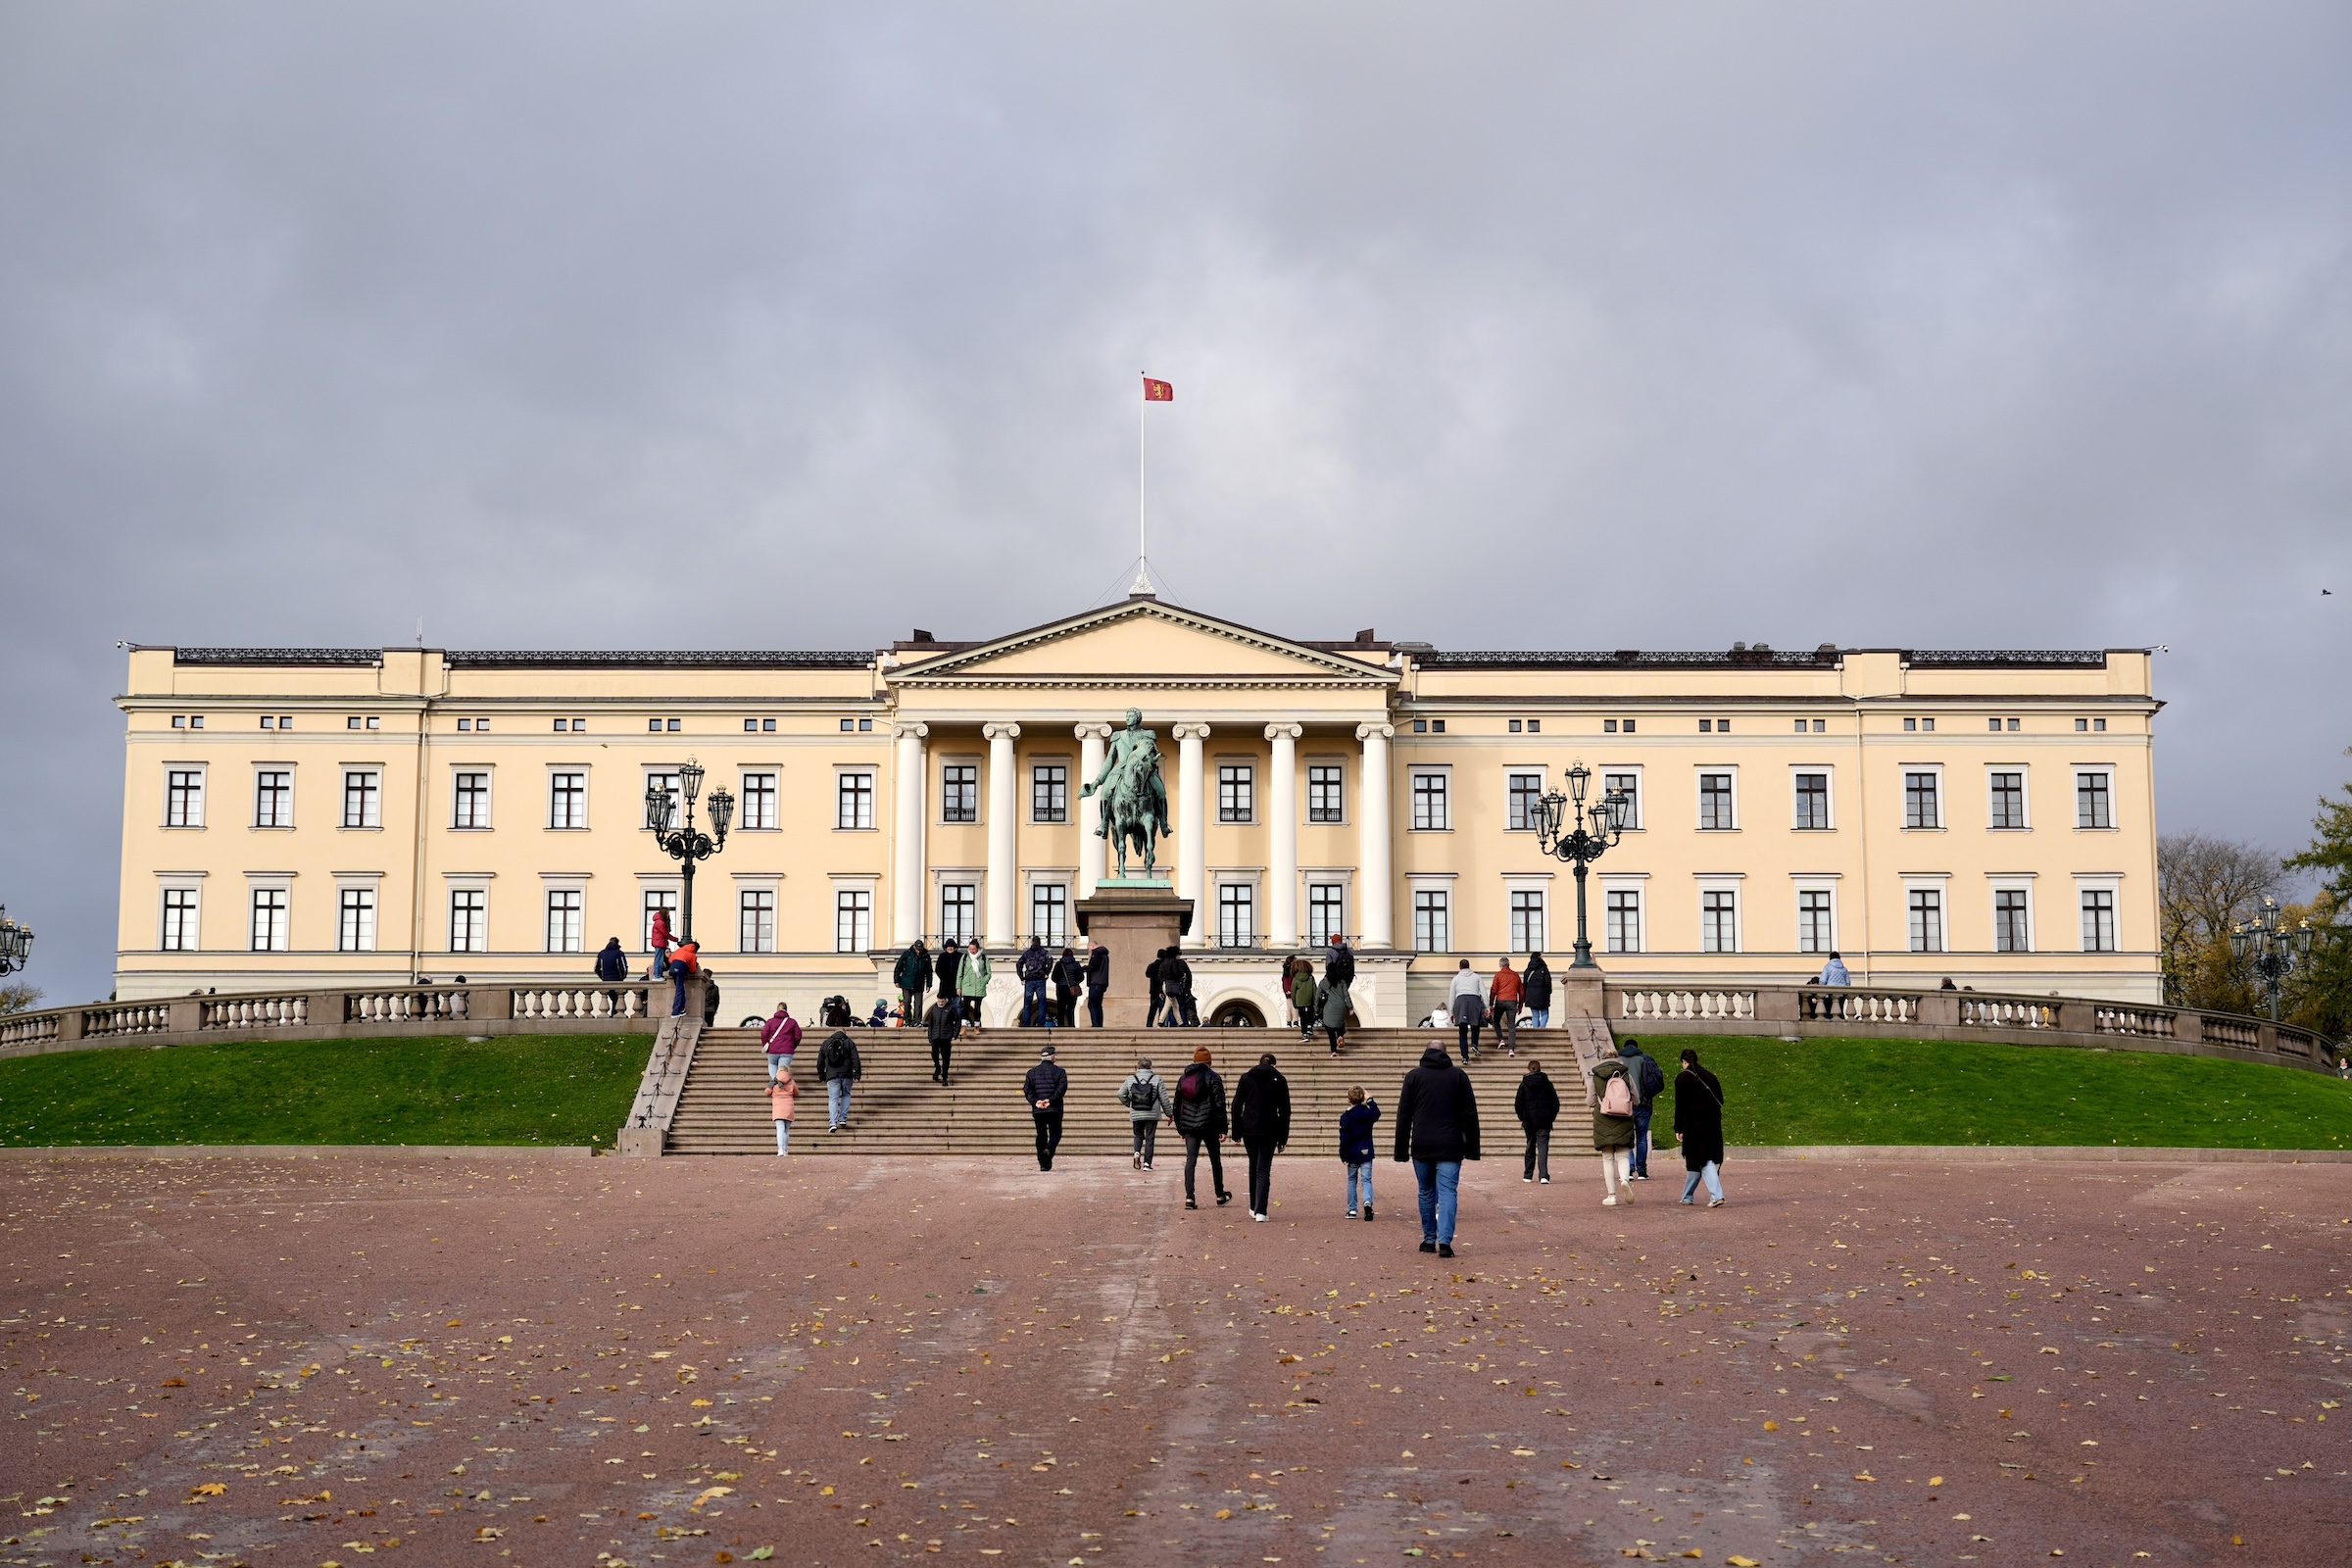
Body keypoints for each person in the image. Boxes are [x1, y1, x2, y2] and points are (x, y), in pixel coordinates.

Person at [1394, 1040, 1479, 1258]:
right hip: (1451, 1143)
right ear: (1446, 1054)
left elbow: (1404, 1114)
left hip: (1422, 1142)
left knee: (1425, 1191)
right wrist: (1472, 1148)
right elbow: (1470, 1113)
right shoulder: (1458, 1075)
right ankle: (1445, 1241)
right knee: (1448, 1192)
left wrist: (1401, 1150)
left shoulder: (1414, 1076)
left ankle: (1429, 1239)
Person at [1231, 1052, 1292, 1222]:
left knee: (1253, 1165)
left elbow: (1236, 1105)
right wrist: (1283, 1137)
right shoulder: (1279, 1080)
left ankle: (1253, 1206)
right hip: (1270, 1128)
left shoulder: (1246, 1078)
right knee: (1263, 1168)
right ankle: (1261, 1210)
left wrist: (1236, 1132)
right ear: (1274, 1065)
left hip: (1249, 1127)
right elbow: (1285, 1111)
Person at [1171, 1046, 1233, 1209]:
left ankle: (1189, 1197)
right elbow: (1219, 1104)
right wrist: (1223, 1128)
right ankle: (1220, 1194)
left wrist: (1180, 1128)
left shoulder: (1184, 1078)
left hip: (1190, 1126)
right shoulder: (1213, 1077)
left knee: (1191, 1160)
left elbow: (1176, 1105)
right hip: (1209, 1125)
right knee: (1215, 1160)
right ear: (1209, 1061)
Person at [1673, 1048, 1728, 1208]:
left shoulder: (1683, 1078)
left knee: (1702, 1158)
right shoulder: (1710, 1076)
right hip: (1712, 1122)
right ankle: (1687, 1196)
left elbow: (1680, 1106)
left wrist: (1678, 1128)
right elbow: (1721, 1100)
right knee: (1698, 1157)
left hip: (1693, 1124)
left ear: (1684, 1062)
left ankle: (1717, 1195)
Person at [1590, 1049, 1639, 1205]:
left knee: (1608, 1158)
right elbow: (1636, 1098)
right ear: (1618, 1059)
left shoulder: (1596, 1076)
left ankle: (1611, 1195)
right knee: (1623, 1155)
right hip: (1623, 1117)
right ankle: (1625, 1180)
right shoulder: (1625, 1075)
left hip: (1603, 1118)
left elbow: (1589, 1101)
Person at [1618, 1037, 1666, 1180]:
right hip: (1644, 1104)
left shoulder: (1619, 1060)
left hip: (1624, 1104)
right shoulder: (1646, 1059)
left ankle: (1629, 1169)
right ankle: (1642, 1170)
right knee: (1642, 1138)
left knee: (1627, 1138)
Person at [1118, 1054, 1173, 1170]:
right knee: (1150, 1137)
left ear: (1138, 1067)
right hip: (1152, 1114)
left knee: (1138, 1135)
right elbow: (1164, 1098)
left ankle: (1137, 1152)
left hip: (1136, 1113)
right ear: (1150, 1067)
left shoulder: (1130, 1079)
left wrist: (1131, 1105)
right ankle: (1147, 1164)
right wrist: (1169, 1113)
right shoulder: (1157, 1079)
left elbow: (1121, 1094)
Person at [1023, 1043, 1069, 1172]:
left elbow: (1027, 1090)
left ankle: (1043, 1164)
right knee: (1056, 1133)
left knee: (1041, 1135)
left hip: (1038, 1110)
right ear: (1053, 1057)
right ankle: (1048, 1150)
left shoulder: (1031, 1073)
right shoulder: (1060, 1072)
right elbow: (1062, 1089)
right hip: (1054, 1109)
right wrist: (1050, 1100)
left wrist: (1036, 1101)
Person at [1339, 1085, 1380, 1221]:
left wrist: (1343, 1154)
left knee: (1352, 1180)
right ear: (1362, 1098)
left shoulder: (1346, 1117)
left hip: (1352, 1152)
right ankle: (1367, 1202)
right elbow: (1376, 1113)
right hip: (1366, 1150)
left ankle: (1352, 1210)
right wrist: (1370, 1100)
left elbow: (1344, 1137)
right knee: (1366, 1180)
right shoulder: (1368, 1113)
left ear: (1349, 1099)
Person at [1514, 1058, 1559, 1183]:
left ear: (1529, 1069)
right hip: (1544, 1120)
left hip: (1529, 1120)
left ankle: (1528, 1174)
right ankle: (1543, 1175)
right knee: (1543, 1147)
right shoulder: (1547, 1084)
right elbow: (1555, 1103)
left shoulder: (1524, 1084)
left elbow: (1518, 1104)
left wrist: (1523, 1118)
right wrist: (1551, 1117)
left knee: (1530, 1145)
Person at [816, 1027, 862, 1132]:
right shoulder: (849, 1043)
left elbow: (820, 1061)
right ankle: (843, 1118)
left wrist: (822, 1075)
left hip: (832, 1076)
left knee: (833, 1099)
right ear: (844, 1033)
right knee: (846, 1094)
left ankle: (833, 1123)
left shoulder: (826, 1043)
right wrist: (857, 1074)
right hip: (846, 1074)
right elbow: (855, 1059)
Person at [1448, 958, 1487, 1059]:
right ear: (1469, 966)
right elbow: (1483, 992)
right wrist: (1487, 1007)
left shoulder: (1456, 979)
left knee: (1462, 1030)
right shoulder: (1477, 977)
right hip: (1474, 1000)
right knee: (1475, 1025)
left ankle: (1465, 1056)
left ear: (1460, 967)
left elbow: (1452, 996)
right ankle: (1474, 1044)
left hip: (1460, 1001)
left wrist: (1451, 1012)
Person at [923, 989, 961, 1084]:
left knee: (946, 1057)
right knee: (934, 1054)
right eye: (939, 1001)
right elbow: (930, 1023)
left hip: (946, 1037)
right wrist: (930, 1036)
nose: (941, 1003)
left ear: (945, 1000)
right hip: (935, 1036)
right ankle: (937, 1068)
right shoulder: (934, 1008)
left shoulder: (951, 1008)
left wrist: (955, 1034)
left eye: (942, 1001)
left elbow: (957, 1022)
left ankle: (944, 1077)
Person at [760, 1001, 802, 1084]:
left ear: (777, 1010)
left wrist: (766, 1044)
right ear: (786, 1010)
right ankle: (781, 1086)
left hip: (773, 1049)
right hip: (787, 1050)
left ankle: (774, 1082)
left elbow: (764, 1034)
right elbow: (798, 1035)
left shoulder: (770, 1022)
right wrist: (792, 1046)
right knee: (782, 1071)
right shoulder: (792, 1022)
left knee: (772, 1065)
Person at [1490, 956, 1524, 1054]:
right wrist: (1520, 1005)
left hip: (1500, 1001)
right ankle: (1511, 1049)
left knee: (1496, 1021)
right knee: (1511, 1026)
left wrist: (1491, 1004)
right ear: (1509, 964)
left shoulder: (1498, 975)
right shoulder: (1515, 975)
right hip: (1512, 1002)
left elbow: (1494, 990)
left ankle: (1501, 1040)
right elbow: (1521, 992)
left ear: (1500, 965)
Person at [893, 938, 931, 1025]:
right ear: (914, 947)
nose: (919, 952)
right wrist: (896, 980)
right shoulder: (906, 954)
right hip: (906, 982)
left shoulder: (926, 956)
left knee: (918, 1003)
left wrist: (929, 984)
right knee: (906, 1001)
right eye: (917, 949)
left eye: (920, 950)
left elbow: (929, 971)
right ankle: (907, 1020)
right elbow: (898, 967)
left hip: (919, 983)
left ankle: (917, 1021)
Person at [1317, 965, 1353, 1055]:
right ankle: (1340, 1035)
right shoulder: (1341, 981)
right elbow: (1346, 995)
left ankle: (1334, 1051)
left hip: (1329, 1007)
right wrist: (1350, 1007)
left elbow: (1317, 996)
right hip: (1341, 1006)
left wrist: (1316, 1009)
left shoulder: (1323, 982)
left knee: (1330, 1030)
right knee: (1340, 1023)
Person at [764, 1061, 798, 1157]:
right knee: (786, 1130)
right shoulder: (791, 1082)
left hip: (778, 1107)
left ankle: (780, 1149)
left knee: (780, 1129)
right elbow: (796, 1092)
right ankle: (786, 1149)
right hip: (789, 1107)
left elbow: (767, 1092)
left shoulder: (774, 1082)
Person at [1017, 936, 1052, 1027]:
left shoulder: (1027, 953)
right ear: (1040, 942)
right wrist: (1047, 972)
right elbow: (1050, 961)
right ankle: (1041, 1022)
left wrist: (1022, 977)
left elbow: (1019, 963)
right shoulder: (1044, 952)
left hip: (1029, 980)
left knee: (1028, 1002)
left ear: (1032, 942)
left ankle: (1026, 1022)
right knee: (1042, 1002)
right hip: (1040, 979)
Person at [957, 938, 992, 1029]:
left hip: (979, 986)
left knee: (977, 1007)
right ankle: (963, 1025)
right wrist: (958, 987)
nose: (972, 951)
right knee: (965, 1006)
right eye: (970, 949)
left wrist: (984, 981)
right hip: (967, 986)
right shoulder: (965, 958)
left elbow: (988, 973)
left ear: (978, 949)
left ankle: (977, 1026)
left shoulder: (984, 958)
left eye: (974, 949)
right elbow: (960, 973)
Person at [1162, 947, 1198, 1027]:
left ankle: (1171, 1024)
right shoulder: (1180, 963)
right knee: (1181, 1007)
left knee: (1171, 1007)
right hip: (1180, 989)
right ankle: (1182, 1024)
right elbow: (1187, 976)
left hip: (1169, 988)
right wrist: (1187, 988)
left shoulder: (1166, 963)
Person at [1052, 945, 1084, 1028]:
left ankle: (1061, 1025)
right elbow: (1081, 977)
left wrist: (1059, 982)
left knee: (1061, 1008)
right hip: (1073, 988)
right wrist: (1075, 982)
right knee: (1071, 1008)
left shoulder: (1059, 964)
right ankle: (1071, 1025)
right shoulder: (1076, 964)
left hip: (1061, 988)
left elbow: (1054, 977)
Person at [667, 937, 701, 1017]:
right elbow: (692, 970)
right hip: (681, 969)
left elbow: (670, 960)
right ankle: (676, 1011)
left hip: (672, 969)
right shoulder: (693, 955)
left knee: (680, 990)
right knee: (680, 990)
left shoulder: (679, 950)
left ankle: (681, 1009)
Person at [1289, 958, 1318, 1043]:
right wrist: (1314, 1001)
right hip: (1309, 1000)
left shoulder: (1295, 979)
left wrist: (1294, 1003)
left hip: (1299, 1001)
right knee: (1309, 1015)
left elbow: (1293, 992)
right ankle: (1309, 1027)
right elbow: (1314, 990)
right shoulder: (1310, 977)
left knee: (1302, 1017)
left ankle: (1304, 1033)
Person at [1084, 937, 1110, 1027]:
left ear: (1092, 946)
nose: (1090, 951)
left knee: (1092, 1004)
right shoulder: (1105, 955)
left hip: (1095, 982)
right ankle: (1099, 1024)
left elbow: (1092, 966)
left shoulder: (1097, 953)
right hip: (1102, 982)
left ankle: (1096, 1024)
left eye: (1089, 949)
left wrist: (1084, 968)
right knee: (1098, 1005)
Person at [1523, 952, 1552, 1028]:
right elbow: (1548, 982)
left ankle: (1535, 1030)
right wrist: (1549, 992)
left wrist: (1525, 996)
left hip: (1531, 995)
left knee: (1535, 1015)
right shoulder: (1544, 969)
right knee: (1545, 1013)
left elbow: (1525, 984)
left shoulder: (1527, 970)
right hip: (1542, 994)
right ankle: (1542, 1028)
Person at [935, 939, 962, 1015]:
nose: (950, 948)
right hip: (945, 985)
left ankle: (958, 1023)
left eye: (952, 947)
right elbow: (938, 969)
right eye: (948, 947)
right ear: (945, 948)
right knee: (946, 1006)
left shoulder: (960, 956)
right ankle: (947, 1023)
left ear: (955, 947)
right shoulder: (942, 956)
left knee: (957, 1006)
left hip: (957, 985)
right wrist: (943, 978)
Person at [648, 907, 672, 981]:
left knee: (659, 959)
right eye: (667, 913)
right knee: (659, 960)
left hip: (659, 943)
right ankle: (657, 976)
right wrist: (675, 939)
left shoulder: (658, 921)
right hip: (659, 943)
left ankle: (657, 975)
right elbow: (665, 934)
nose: (668, 915)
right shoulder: (660, 922)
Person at [1145, 949, 1165, 1029]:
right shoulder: (1164, 966)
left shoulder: (1152, 965)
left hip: (1153, 990)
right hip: (1162, 990)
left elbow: (1147, 974)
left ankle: (1149, 1024)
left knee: (1152, 1009)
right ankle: (1161, 1024)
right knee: (1162, 1009)